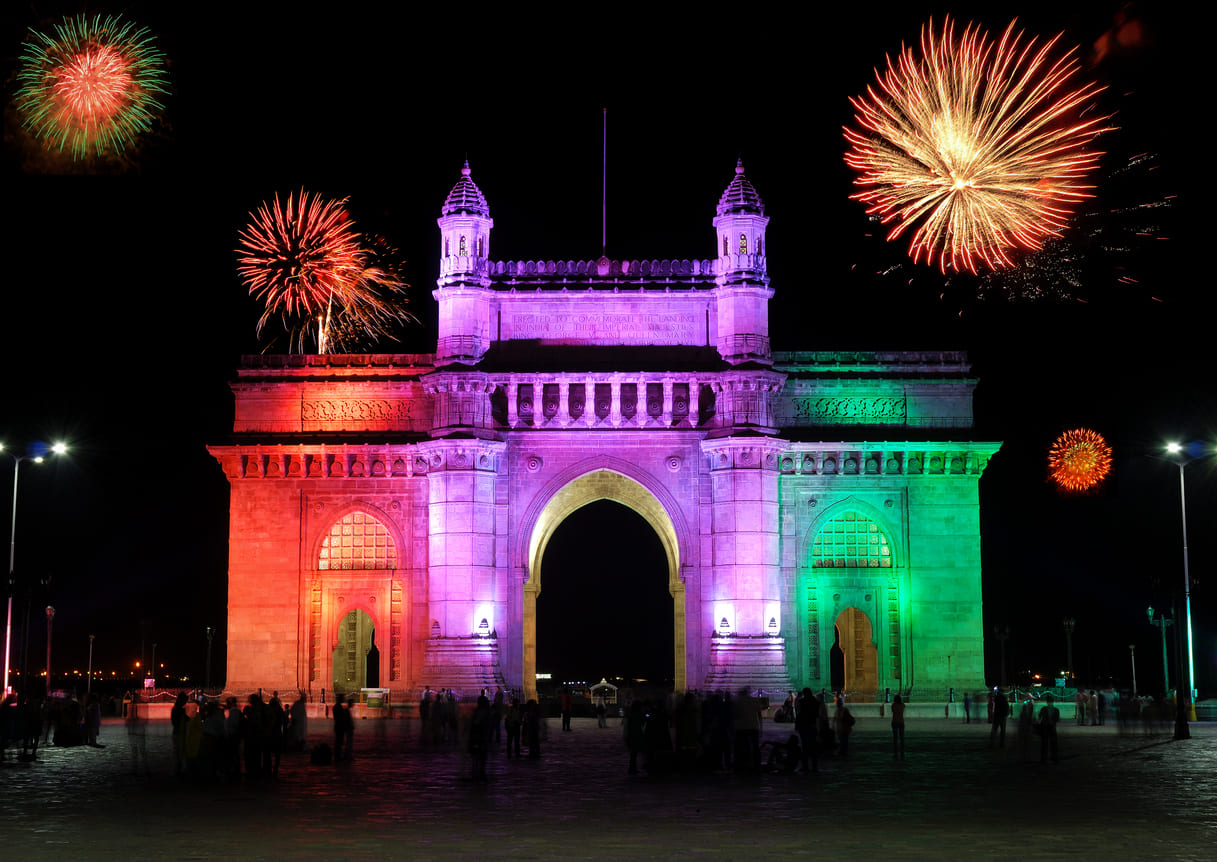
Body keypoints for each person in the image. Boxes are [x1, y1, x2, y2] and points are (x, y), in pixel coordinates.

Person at [794, 688, 819, 772]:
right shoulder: (814, 701)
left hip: (804, 726)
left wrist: (797, 725)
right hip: (812, 725)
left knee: (805, 746)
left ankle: (805, 766)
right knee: (813, 746)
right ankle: (814, 767)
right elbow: (817, 714)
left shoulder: (802, 701)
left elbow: (799, 714)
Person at [1039, 693, 1061, 763]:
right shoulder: (1056, 710)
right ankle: (1054, 757)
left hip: (1045, 727)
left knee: (1044, 744)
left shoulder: (1043, 709)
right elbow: (1057, 719)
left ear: (1047, 701)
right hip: (1052, 727)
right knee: (1053, 744)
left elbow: (1039, 717)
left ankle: (1044, 758)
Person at [890, 694, 905, 759]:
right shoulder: (902, 705)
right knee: (901, 738)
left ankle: (895, 753)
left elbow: (893, 711)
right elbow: (904, 706)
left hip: (895, 722)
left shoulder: (893, 705)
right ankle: (902, 752)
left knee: (895, 738)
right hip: (901, 722)